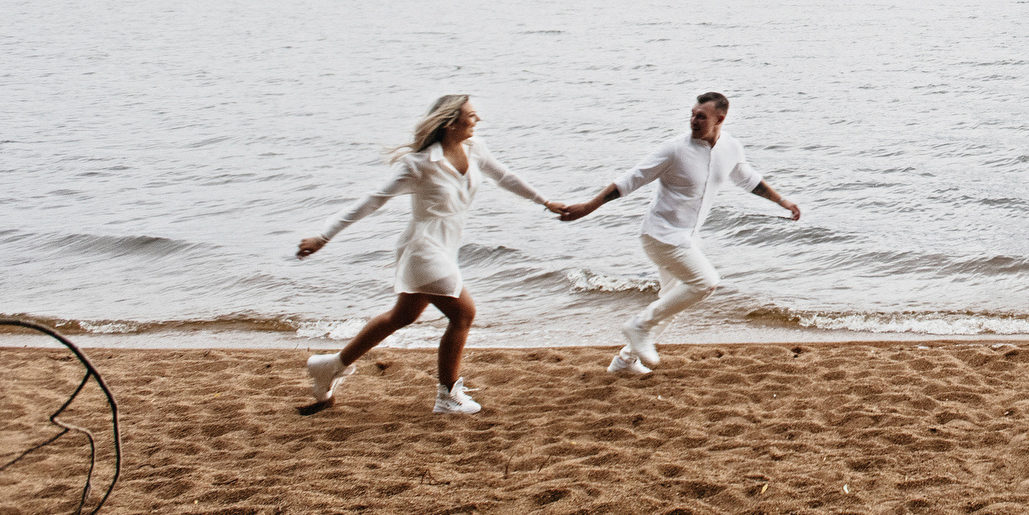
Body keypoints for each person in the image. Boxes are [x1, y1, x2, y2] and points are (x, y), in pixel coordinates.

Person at [295, 94, 567, 414]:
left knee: (402, 316)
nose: (477, 120)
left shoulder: (474, 149)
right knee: (463, 314)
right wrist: (324, 236)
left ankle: (330, 366)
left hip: (446, 247)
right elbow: (373, 199)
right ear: (451, 123)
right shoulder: (419, 164)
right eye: (472, 115)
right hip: (423, 248)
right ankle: (447, 395)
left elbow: (504, 176)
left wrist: (545, 201)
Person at [557, 90, 799, 375]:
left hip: (686, 238)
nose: (694, 121)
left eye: (701, 117)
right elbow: (631, 179)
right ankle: (639, 325)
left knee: (672, 303)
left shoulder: (730, 147)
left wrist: (782, 201)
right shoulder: (674, 150)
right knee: (706, 283)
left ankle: (624, 361)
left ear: (720, 119)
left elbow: (747, 178)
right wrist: (588, 206)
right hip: (660, 235)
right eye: (693, 114)